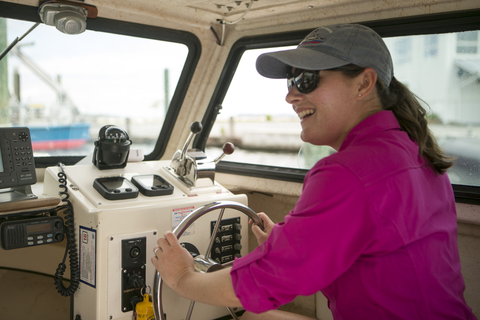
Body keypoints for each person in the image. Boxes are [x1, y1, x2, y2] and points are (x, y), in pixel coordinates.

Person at [151, 23, 477, 320]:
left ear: (364, 83)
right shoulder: (418, 154)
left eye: (305, 79)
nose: (290, 95)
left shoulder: (348, 171)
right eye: (292, 81)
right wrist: (285, 241)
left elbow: (265, 283)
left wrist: (183, 277)